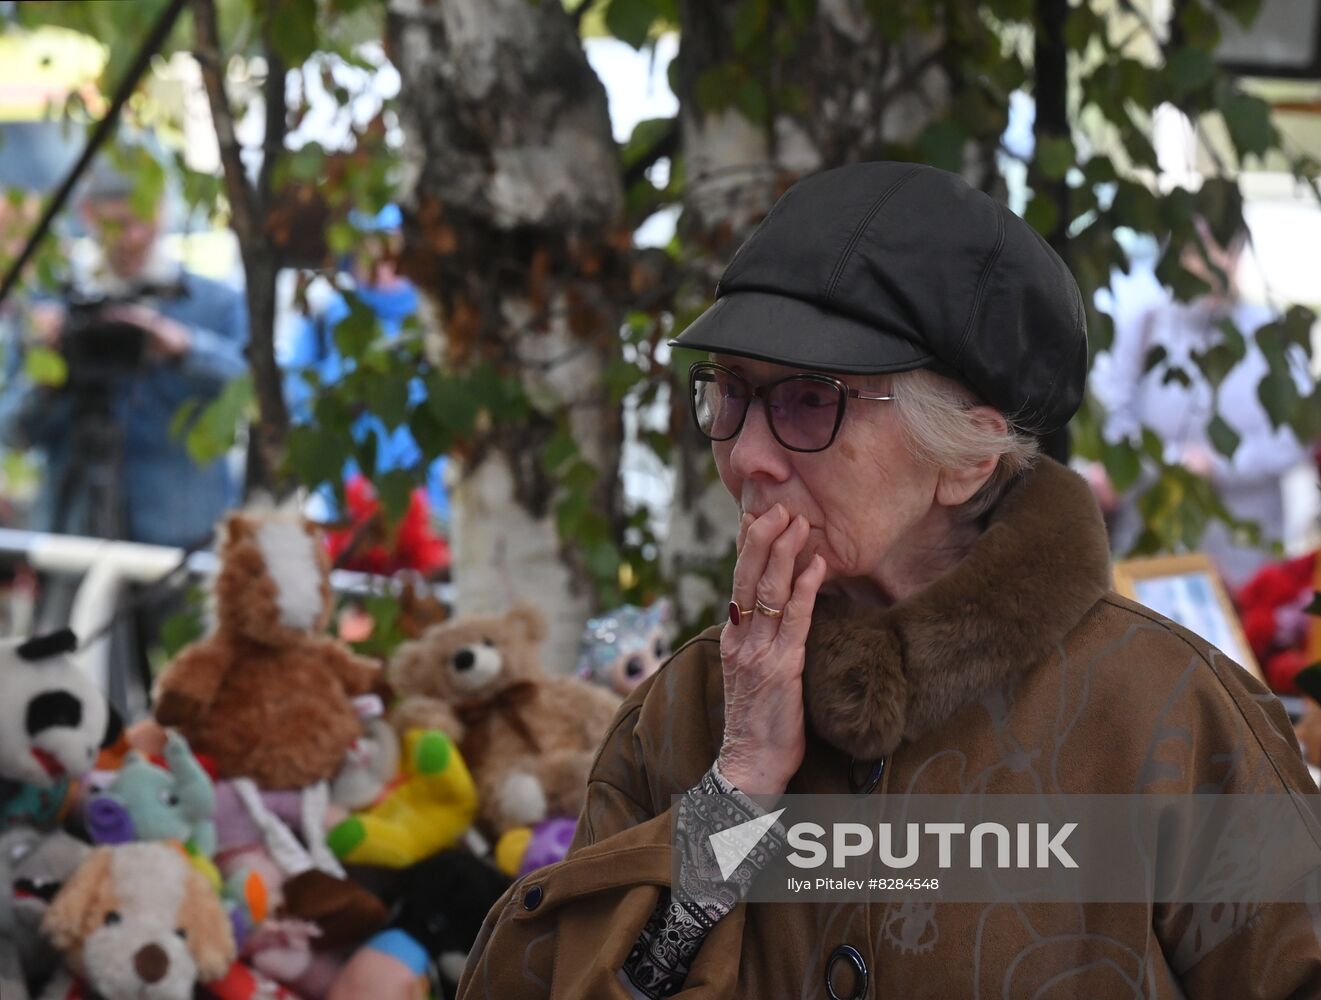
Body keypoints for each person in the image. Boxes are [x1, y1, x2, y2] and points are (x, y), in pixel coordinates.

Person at [456, 163, 1321, 999]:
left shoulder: (1163, 711)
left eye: (807, 401)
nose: (747, 457)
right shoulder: (687, 709)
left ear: (969, 457)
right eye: (729, 392)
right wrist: (738, 790)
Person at [0, 155, 249, 550]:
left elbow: (261, 398)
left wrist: (183, 347)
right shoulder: (53, 307)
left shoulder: (212, 304)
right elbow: (11, 430)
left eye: (142, 221)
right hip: (73, 540)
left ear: (164, 210)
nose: (132, 238)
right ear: (87, 214)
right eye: (117, 224)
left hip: (182, 541)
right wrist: (46, 372)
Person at [1087, 222, 1313, 590]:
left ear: (1238, 254)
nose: (1209, 263)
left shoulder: (1273, 335)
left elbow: (1298, 435)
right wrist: (1167, 460)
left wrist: (1223, 465)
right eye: (1196, 250)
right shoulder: (1147, 327)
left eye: (1221, 248)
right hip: (1153, 553)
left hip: (1245, 557)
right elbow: (1115, 413)